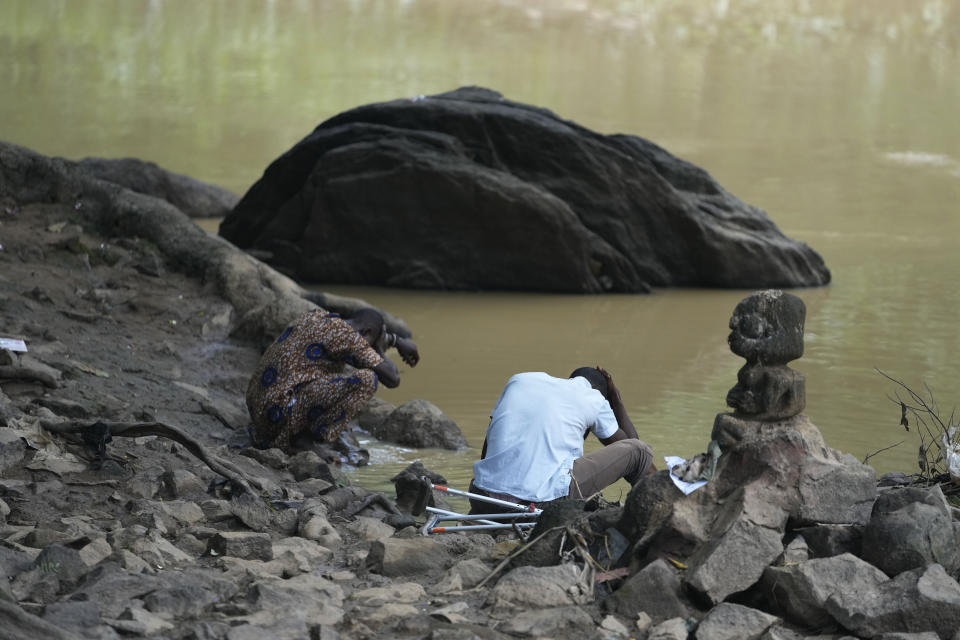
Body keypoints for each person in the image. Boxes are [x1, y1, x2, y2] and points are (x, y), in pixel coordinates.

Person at [469, 366, 654, 514]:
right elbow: (632, 446)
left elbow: (490, 440)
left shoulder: (519, 380)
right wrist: (616, 400)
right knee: (640, 451)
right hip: (539, 504)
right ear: (600, 392)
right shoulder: (594, 398)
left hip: (481, 497)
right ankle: (665, 507)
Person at [246, 307, 419, 453]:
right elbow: (392, 378)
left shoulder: (317, 316)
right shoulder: (348, 337)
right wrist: (380, 349)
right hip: (276, 416)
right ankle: (302, 441)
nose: (369, 349)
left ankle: (296, 432)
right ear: (366, 333)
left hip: (259, 410)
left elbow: (363, 337)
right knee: (367, 379)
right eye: (371, 344)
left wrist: (396, 341)